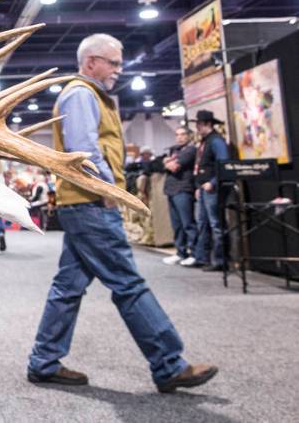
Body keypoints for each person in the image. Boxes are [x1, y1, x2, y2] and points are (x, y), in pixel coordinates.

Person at [27, 33, 217, 393]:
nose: (119, 68)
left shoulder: (87, 94)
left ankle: (43, 361)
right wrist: (109, 190)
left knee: (68, 287)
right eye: (113, 62)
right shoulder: (82, 94)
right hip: (92, 202)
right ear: (90, 62)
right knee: (128, 284)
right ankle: (168, 363)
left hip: (81, 203)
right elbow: (84, 152)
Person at [187, 110, 230, 271]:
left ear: (207, 124)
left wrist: (212, 182)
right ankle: (203, 257)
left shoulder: (216, 141)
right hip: (204, 188)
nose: (197, 127)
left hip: (212, 188)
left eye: (198, 124)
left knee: (215, 224)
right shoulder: (206, 141)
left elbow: (223, 163)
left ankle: (220, 260)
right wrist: (200, 186)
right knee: (203, 223)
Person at [162, 127, 198, 266]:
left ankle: (194, 253)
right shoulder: (175, 150)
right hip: (171, 190)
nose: (179, 137)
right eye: (177, 135)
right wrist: (166, 161)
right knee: (177, 225)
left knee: (188, 223)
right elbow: (162, 163)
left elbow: (174, 167)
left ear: (189, 136)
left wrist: (167, 162)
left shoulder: (190, 150)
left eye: (183, 134)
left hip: (183, 190)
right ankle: (180, 252)